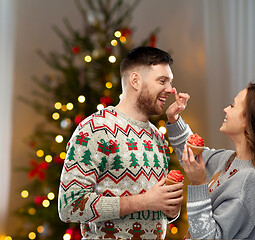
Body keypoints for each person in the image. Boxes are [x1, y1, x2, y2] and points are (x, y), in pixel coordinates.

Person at [58, 46, 184, 239]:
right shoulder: (96, 128)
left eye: (170, 82)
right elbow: (69, 205)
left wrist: (170, 208)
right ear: (135, 80)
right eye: (162, 81)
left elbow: (158, 212)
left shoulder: (158, 137)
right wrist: (143, 201)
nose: (170, 89)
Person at [165, 83, 255, 239]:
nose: (226, 109)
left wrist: (199, 183)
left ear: (249, 120)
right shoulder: (229, 159)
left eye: (233, 106)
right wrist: (174, 119)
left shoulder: (248, 182)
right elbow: (194, 155)